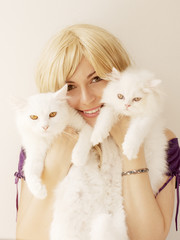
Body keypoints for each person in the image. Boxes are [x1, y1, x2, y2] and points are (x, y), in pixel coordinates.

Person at [15, 24, 180, 240]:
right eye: (70, 86)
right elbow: (26, 237)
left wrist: (131, 147)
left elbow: (149, 237)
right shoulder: (41, 139)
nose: (87, 99)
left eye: (96, 79)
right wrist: (57, 160)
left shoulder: (160, 140)